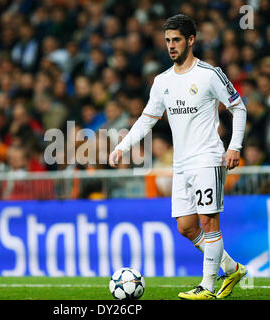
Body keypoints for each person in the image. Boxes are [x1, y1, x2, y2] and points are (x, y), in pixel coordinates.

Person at [109, 14, 247, 300]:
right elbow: (146, 120)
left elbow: (239, 108)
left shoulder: (209, 74)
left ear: (191, 40)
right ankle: (232, 269)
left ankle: (208, 287)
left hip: (208, 158)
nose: (171, 46)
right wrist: (122, 146)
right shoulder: (162, 81)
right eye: (168, 40)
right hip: (181, 164)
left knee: (209, 222)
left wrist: (235, 146)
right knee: (186, 227)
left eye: (176, 40)